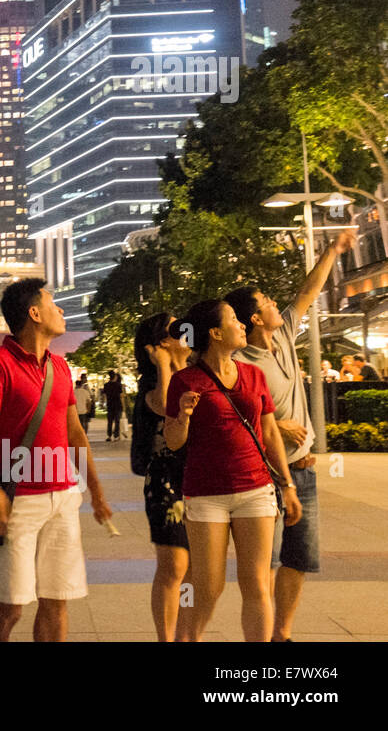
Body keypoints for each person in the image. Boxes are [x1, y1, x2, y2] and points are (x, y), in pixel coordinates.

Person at [223, 226, 353, 641]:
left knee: (299, 556)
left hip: (303, 468)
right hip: (263, 473)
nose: (277, 304)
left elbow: (307, 292)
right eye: (267, 302)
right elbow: (222, 409)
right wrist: (274, 424)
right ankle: (259, 633)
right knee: (263, 560)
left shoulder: (282, 334)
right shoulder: (239, 359)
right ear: (254, 317)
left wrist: (332, 249)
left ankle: (282, 633)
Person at [0, 278, 112, 642]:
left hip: (63, 495)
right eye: (54, 303)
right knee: (12, 601)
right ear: (34, 313)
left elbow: (75, 435)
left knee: (57, 599)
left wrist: (95, 491)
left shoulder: (60, 367)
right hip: (19, 498)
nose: (61, 310)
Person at [165, 300, 302, 642]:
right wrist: (183, 415)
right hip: (206, 493)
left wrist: (287, 485)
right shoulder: (185, 380)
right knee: (207, 586)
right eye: (233, 320)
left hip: (256, 488)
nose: (242, 325)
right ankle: (186, 637)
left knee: (256, 583)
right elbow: (173, 441)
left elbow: (269, 432)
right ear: (214, 333)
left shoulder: (254, 375)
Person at [134, 312, 193, 641]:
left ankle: (186, 635)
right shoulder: (150, 385)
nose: (183, 333)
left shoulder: (191, 372)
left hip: (198, 479)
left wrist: (180, 362)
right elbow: (172, 408)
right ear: (158, 343)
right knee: (173, 565)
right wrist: (163, 365)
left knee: (194, 569)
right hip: (166, 483)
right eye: (174, 330)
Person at [103, 371, 124, 441]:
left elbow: (104, 396)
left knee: (110, 422)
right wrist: (123, 406)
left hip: (110, 405)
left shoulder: (106, 385)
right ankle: (116, 436)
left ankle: (109, 436)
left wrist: (105, 403)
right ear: (115, 376)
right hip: (118, 405)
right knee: (117, 421)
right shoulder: (118, 385)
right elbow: (121, 396)